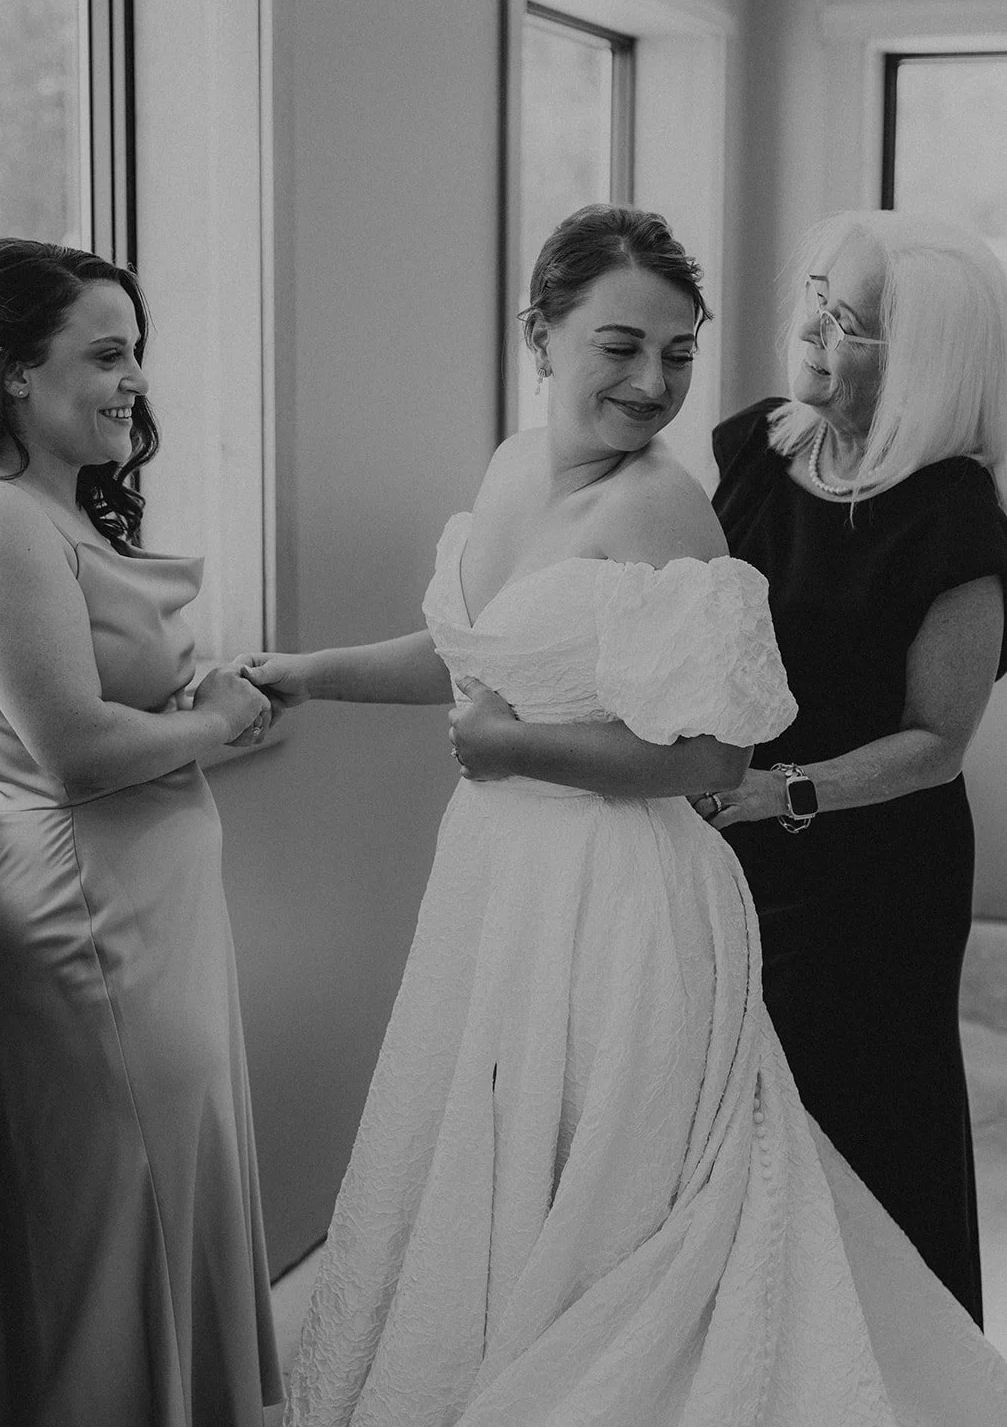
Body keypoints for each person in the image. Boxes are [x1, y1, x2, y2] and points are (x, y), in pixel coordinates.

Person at [245, 205, 1007, 1426]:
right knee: (546, 1152)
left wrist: (553, 753)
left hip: (771, 863)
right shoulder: (710, 450)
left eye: (676, 352)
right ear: (538, 335)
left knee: (751, 1153)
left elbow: (794, 739)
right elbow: (498, 649)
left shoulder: (804, 513)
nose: (653, 381)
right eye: (618, 346)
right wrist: (299, 672)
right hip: (572, 858)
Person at [0, 239, 283, 1426]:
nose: (133, 378)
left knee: (165, 1185)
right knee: (112, 1210)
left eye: (136, 351)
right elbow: (74, 749)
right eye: (104, 354)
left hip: (154, 910)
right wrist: (220, 720)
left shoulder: (59, 507)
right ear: (13, 370)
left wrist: (202, 702)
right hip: (92, 921)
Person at [704, 209, 1007, 1327]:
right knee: (733, 1120)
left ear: (919, 361)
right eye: (814, 299)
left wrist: (777, 792)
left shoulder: (950, 515)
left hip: (872, 873)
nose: (811, 330)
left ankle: (884, 1364)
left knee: (853, 1122)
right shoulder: (751, 449)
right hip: (728, 838)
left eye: (848, 322)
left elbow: (935, 741)